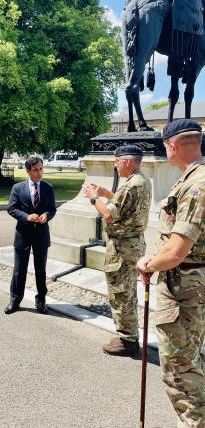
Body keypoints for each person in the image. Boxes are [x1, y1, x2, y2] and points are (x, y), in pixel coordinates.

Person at [137, 119, 205, 428]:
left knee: (181, 374)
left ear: (172, 147)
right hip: (192, 287)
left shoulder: (196, 184)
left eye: (165, 148)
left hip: (183, 293)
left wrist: (149, 264)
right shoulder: (194, 177)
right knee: (193, 364)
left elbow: (177, 251)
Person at [83, 145, 152, 356]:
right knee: (128, 291)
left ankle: (127, 340)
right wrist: (106, 193)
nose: (115, 165)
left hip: (123, 248)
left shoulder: (131, 185)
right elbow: (124, 206)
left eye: (117, 161)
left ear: (128, 161)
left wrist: (95, 197)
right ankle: (129, 336)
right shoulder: (141, 181)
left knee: (121, 293)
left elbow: (109, 215)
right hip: (133, 244)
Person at [5, 157, 56, 314]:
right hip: (23, 234)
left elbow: (52, 208)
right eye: (35, 170)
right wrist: (26, 217)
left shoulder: (48, 188)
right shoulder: (18, 188)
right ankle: (15, 300)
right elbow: (12, 208)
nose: (39, 172)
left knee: (41, 270)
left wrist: (47, 215)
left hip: (41, 234)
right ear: (28, 171)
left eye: (41, 169)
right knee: (19, 270)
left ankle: (41, 300)